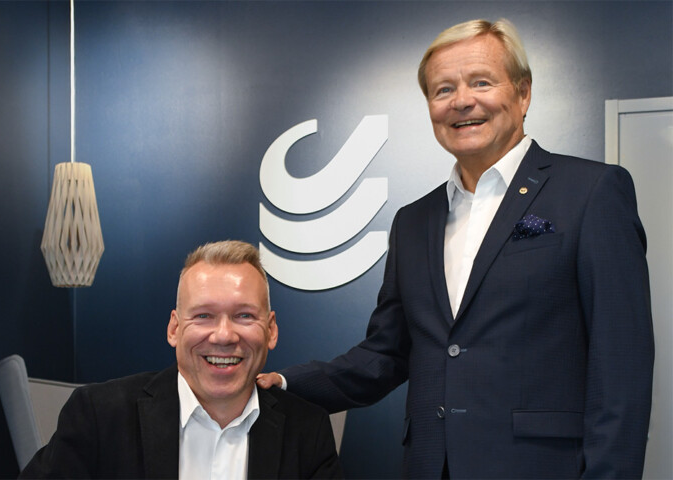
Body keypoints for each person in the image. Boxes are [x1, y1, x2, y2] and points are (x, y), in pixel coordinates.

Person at [257, 18, 654, 479]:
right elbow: (385, 355)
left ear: (523, 93)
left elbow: (621, 365)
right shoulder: (412, 222)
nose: (462, 101)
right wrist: (283, 383)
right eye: (443, 89)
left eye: (481, 82)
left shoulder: (592, 192)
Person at [20, 240, 343, 479]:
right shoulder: (100, 416)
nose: (223, 335)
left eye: (244, 315)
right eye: (203, 315)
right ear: (174, 328)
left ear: (270, 330)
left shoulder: (308, 431)